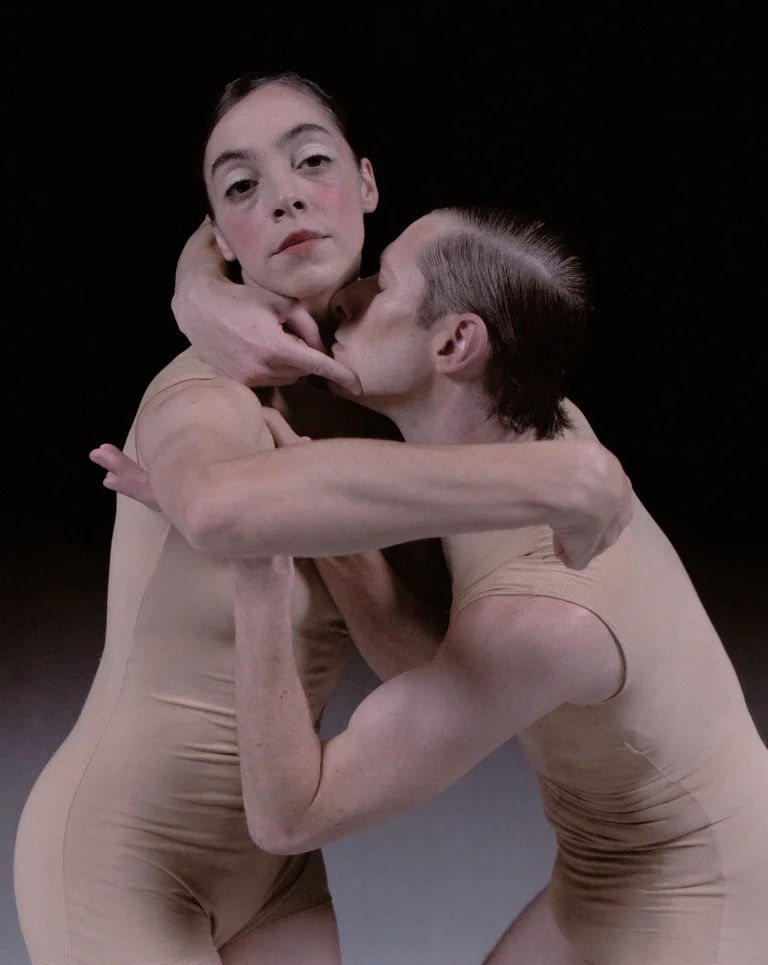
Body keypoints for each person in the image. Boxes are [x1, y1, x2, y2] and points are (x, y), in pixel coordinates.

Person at [14, 73, 630, 965]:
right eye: (242, 188)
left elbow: (421, 666)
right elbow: (220, 510)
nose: (288, 195)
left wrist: (346, 548)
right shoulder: (205, 395)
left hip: (275, 868)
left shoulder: (395, 394)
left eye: (311, 161)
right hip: (121, 853)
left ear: (369, 184)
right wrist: (546, 478)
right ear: (223, 237)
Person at [169, 207, 768, 964]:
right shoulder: (525, 437)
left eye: (379, 284)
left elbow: (290, 817)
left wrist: (263, 563)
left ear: (456, 343)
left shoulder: (547, 617)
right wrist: (195, 285)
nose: (344, 297)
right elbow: (432, 666)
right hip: (597, 871)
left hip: (700, 903)